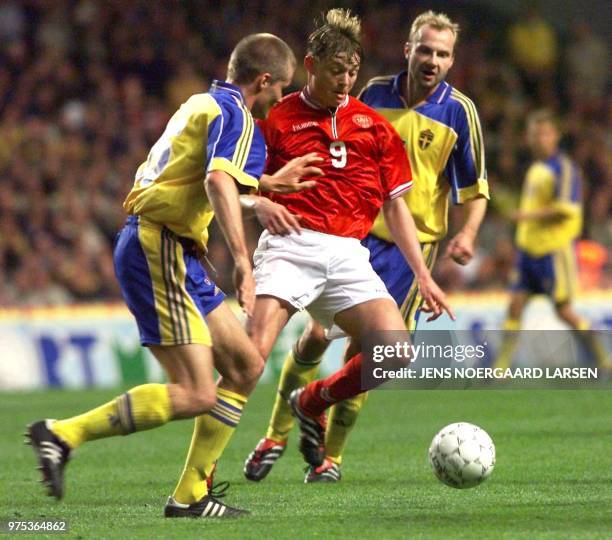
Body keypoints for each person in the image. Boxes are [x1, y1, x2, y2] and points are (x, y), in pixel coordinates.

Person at [25, 33, 323, 518]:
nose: (282, 100)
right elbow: (216, 180)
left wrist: (262, 187)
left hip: (170, 248)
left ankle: (190, 495)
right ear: (264, 80)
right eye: (282, 89)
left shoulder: (203, 103)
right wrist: (243, 260)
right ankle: (62, 434)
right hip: (158, 244)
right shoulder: (239, 115)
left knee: (246, 366)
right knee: (198, 392)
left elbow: (203, 177)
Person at [244, 10, 489, 483]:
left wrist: (467, 234)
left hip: (407, 248)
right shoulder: (370, 94)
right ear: (408, 49)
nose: (432, 60)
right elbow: (336, 141)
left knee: (370, 353)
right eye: (425, 49)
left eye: (442, 53)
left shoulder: (460, 112)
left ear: (452, 60)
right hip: (350, 236)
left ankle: (329, 457)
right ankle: (276, 433)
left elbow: (475, 188)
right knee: (314, 337)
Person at [494, 109, 609, 371]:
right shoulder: (536, 168)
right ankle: (501, 367)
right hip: (527, 252)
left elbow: (567, 208)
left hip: (553, 251)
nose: (538, 139)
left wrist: (526, 215)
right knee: (515, 306)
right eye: (534, 134)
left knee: (564, 311)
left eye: (544, 133)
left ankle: (602, 357)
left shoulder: (564, 168)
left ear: (555, 136)